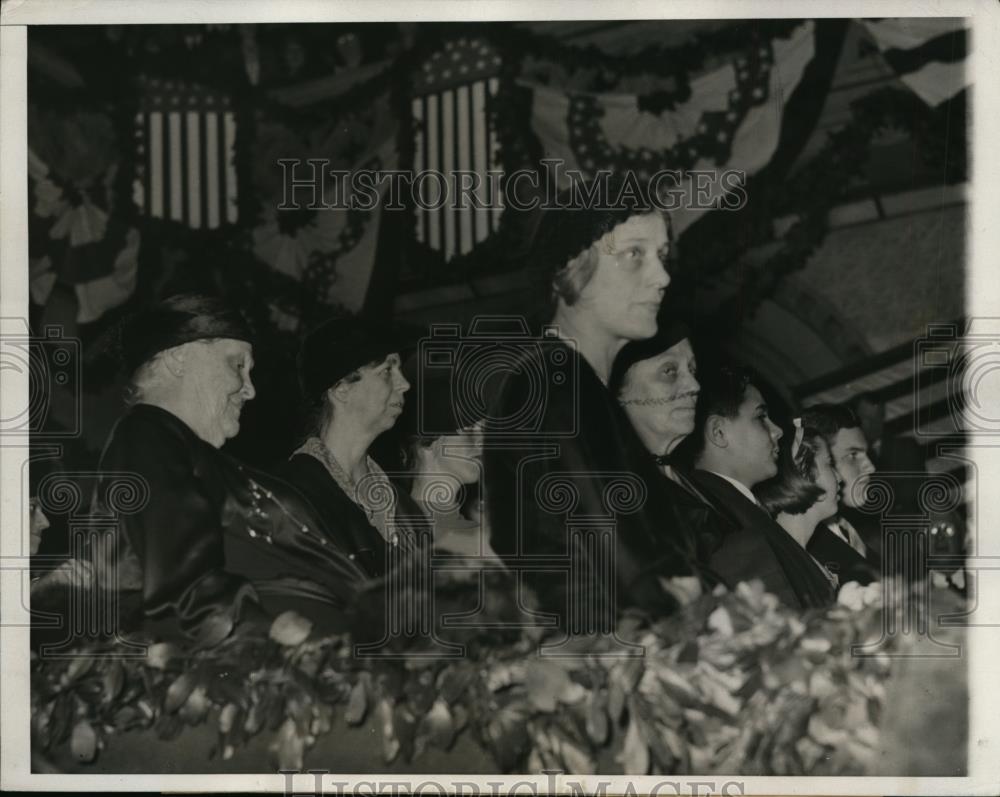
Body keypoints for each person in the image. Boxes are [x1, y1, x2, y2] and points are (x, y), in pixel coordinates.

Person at [484, 176, 697, 630]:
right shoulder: (557, 379)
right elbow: (615, 552)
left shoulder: (570, 380)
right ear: (569, 271)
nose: (662, 277)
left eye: (661, 256)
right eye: (634, 255)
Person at [92, 294, 366, 641]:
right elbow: (183, 583)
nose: (249, 390)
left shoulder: (204, 457)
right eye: (237, 366)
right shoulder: (147, 433)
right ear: (178, 359)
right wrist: (267, 630)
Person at [281, 316, 427, 580]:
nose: (404, 384)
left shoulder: (406, 511)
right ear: (341, 390)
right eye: (387, 371)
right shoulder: (292, 495)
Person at [685, 366, 834, 608]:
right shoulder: (714, 520)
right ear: (719, 432)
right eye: (760, 417)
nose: (777, 431)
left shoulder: (736, 505)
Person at [609, 318, 734, 581]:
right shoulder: (617, 493)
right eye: (670, 371)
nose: (694, 386)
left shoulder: (689, 478)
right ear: (618, 392)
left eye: (692, 369)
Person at [398, 356, 498, 561]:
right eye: (468, 429)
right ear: (428, 441)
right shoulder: (402, 526)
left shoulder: (473, 526)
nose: (481, 442)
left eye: (484, 430)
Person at [800, 404, 881, 584]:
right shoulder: (804, 544)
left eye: (866, 454)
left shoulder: (847, 527)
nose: (871, 467)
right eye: (852, 455)